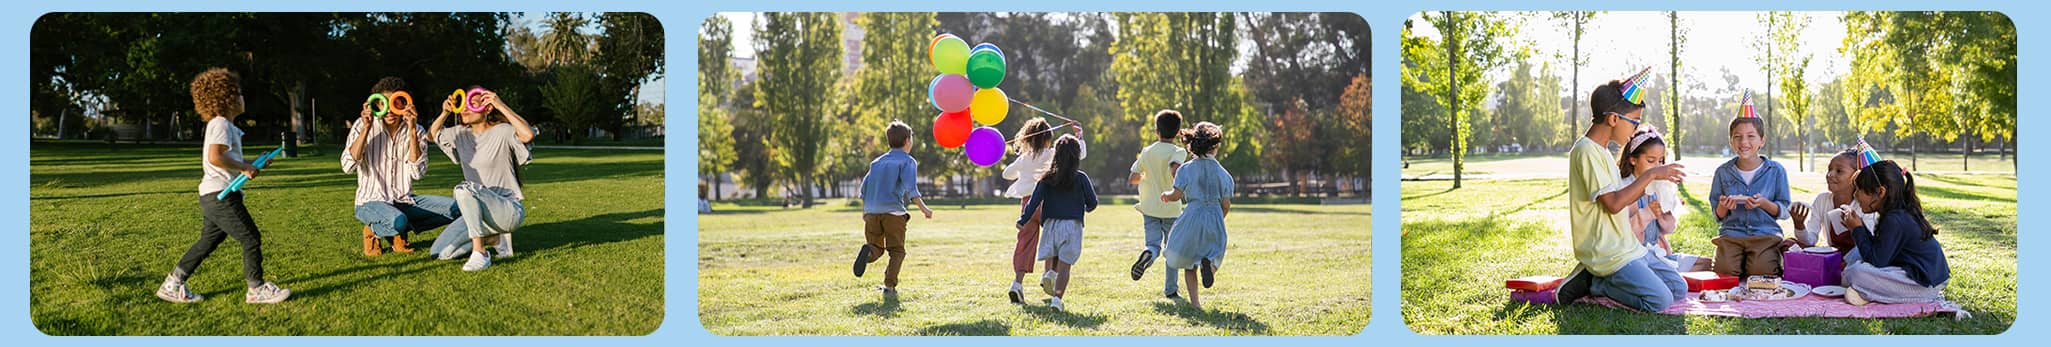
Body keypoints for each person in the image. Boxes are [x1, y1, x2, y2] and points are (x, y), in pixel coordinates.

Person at [1555, 70, 1689, 313]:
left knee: (1678, 288)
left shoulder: (1604, 152)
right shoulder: (1586, 151)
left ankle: (1605, 280)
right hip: (1607, 252)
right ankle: (1597, 284)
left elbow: (1624, 202)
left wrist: (1658, 195)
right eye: (1634, 121)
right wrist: (1651, 174)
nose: (1635, 128)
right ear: (1614, 119)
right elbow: (1613, 204)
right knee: (1660, 301)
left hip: (1628, 246)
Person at [154, 67, 291, 304]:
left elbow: (227, 159)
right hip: (222, 195)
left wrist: (254, 162)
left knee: (208, 241)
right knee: (251, 238)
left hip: (215, 195)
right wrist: (244, 168)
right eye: (238, 93)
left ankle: (172, 284)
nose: (242, 97)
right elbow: (215, 157)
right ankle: (256, 289)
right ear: (225, 98)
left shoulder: (224, 126)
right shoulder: (221, 124)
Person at [344, 77, 459, 256]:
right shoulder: (363, 125)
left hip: (404, 200)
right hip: (369, 202)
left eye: (396, 103)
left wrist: (412, 130)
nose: (389, 110)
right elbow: (347, 166)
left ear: (405, 103)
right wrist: (366, 129)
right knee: (398, 220)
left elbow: (418, 173)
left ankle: (398, 229)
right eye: (384, 103)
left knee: (458, 209)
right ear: (376, 104)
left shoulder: (417, 130)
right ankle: (374, 231)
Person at [425, 87, 535, 271]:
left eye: (472, 104)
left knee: (464, 189)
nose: (464, 109)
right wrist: (445, 112)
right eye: (463, 106)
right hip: (478, 214)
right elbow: (430, 136)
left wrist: (500, 104)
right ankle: (496, 239)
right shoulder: (460, 134)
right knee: (440, 253)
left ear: (487, 108)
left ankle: (480, 252)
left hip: (507, 211)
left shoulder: (503, 131)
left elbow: (527, 134)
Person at [1841, 160, 1952, 306]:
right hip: (1914, 275)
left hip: (1924, 285)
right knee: (1856, 254)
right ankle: (1867, 291)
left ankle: (1867, 292)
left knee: (1856, 272)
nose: (1855, 195)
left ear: (1880, 192)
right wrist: (1858, 226)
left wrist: (1857, 229)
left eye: (1859, 189)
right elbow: (1879, 251)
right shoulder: (1896, 214)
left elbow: (1877, 260)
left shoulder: (1895, 219)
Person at [1708, 91, 1795, 278]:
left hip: (1765, 235)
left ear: (1762, 140)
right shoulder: (1723, 172)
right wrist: (1723, 206)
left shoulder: (1776, 171)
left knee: (1762, 273)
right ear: (1731, 141)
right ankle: (1736, 260)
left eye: (1750, 136)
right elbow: (1717, 214)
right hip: (1732, 235)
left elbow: (1784, 210)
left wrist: (1764, 203)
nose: (1744, 142)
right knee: (1725, 273)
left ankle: (1759, 260)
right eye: (1737, 137)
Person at [1000, 118, 1086, 304]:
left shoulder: (1024, 159)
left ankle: (1017, 284)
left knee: (1025, 244)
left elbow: (1006, 174)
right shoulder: (1052, 154)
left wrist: (1023, 168)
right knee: (1054, 240)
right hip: (1049, 204)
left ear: (1028, 139)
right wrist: (1079, 136)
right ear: (1048, 139)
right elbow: (1080, 154)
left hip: (1027, 206)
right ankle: (1049, 274)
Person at [852, 121, 935, 297]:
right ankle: (889, 287)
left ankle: (868, 253)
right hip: (893, 213)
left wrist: (865, 212)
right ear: (907, 140)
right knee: (896, 250)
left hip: (871, 212)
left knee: (876, 246)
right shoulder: (907, 161)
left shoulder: (877, 162)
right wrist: (924, 209)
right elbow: (911, 188)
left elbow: (864, 189)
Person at [1610, 127, 1708, 272]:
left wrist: (1665, 216)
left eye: (1661, 161)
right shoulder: (1626, 189)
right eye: (1651, 161)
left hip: (1658, 253)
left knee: (1710, 264)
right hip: (1635, 258)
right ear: (1633, 160)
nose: (1658, 167)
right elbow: (1624, 235)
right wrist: (1648, 213)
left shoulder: (1659, 187)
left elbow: (1668, 229)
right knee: (1677, 282)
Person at [1016, 135, 1096, 311]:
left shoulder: (1046, 178)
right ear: (1076, 156)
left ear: (1056, 154)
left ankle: (1049, 273)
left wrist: (1023, 220)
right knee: (1065, 265)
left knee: (1054, 253)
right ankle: (1057, 300)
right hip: (1072, 225)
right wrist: (1085, 207)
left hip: (1051, 225)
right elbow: (1092, 203)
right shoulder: (1081, 178)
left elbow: (1034, 201)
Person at [1160, 122, 1233, 310]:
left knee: (1188, 261)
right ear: (1215, 146)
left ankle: (1196, 304)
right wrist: (1218, 218)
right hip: (1214, 216)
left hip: (1192, 215)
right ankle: (1209, 268)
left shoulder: (1185, 169)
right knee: (1215, 254)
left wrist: (1166, 196)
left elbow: (1176, 195)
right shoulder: (1224, 174)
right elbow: (1226, 205)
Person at [1128, 110, 1188, 299]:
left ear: (1156, 131)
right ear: (1178, 132)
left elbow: (1133, 178)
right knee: (1172, 249)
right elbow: (1174, 169)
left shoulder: (1147, 151)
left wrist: (1147, 176)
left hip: (1149, 207)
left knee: (1153, 244)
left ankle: (1148, 254)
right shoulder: (1179, 151)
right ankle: (1171, 290)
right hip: (1171, 207)